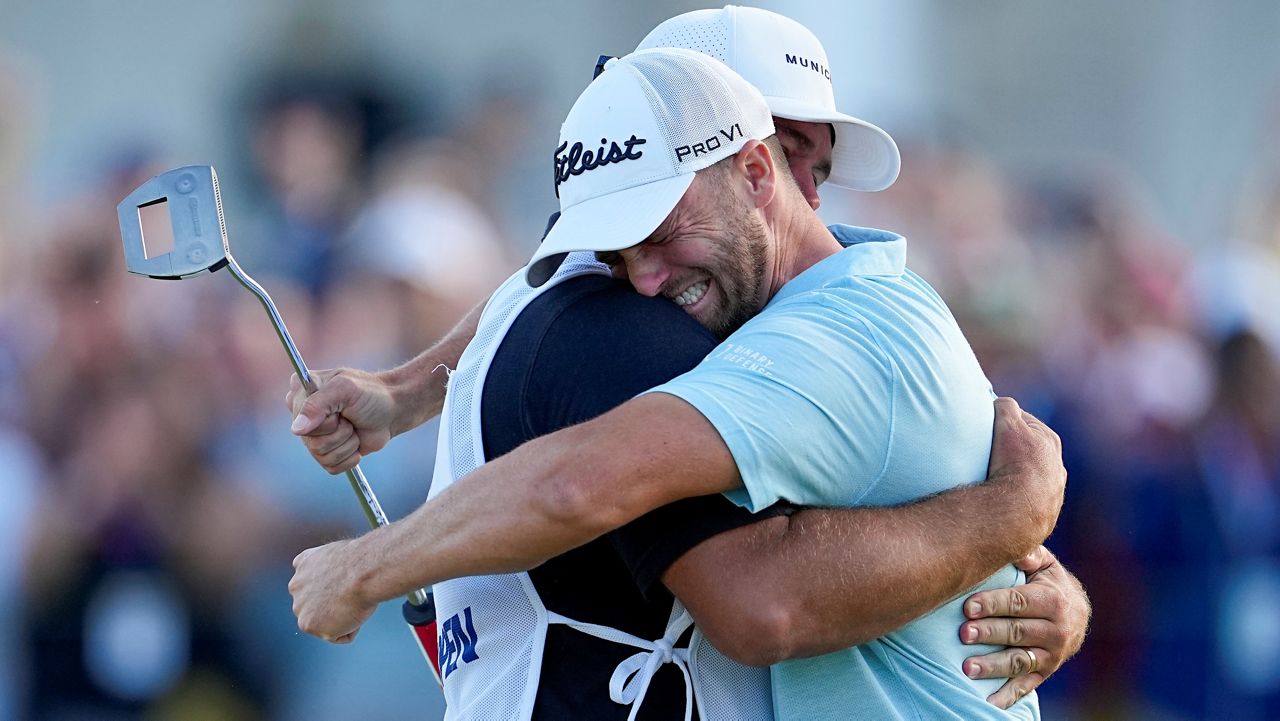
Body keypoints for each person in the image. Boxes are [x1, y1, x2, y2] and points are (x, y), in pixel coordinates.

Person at [290, 45, 1079, 719]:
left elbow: (587, 491)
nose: (643, 282)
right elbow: (544, 302)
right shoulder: (794, 314)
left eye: (663, 231)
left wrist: (360, 571)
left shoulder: (829, 335)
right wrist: (406, 392)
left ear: (756, 167)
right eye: (619, 253)